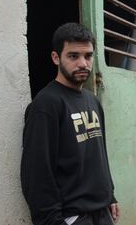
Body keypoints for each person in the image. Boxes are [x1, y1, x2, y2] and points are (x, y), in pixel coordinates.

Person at [21, 23, 119, 225]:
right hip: (73, 217)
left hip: (102, 213)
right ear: (56, 58)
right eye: (73, 56)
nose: (83, 63)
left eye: (88, 56)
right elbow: (37, 174)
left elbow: (99, 155)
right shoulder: (46, 105)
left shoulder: (93, 101)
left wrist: (110, 195)